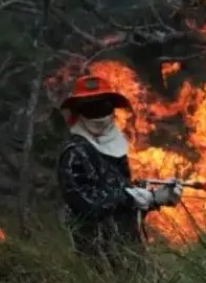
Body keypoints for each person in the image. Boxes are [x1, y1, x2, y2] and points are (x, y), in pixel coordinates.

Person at [57, 73, 183, 262]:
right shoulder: (75, 153)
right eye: (90, 109)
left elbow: (121, 199)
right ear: (79, 114)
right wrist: (133, 197)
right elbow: (86, 204)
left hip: (129, 252)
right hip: (98, 259)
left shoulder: (115, 149)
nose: (99, 114)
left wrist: (156, 198)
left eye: (104, 107)